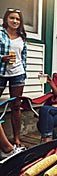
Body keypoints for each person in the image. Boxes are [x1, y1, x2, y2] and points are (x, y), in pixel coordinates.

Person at [0, 8, 27, 147]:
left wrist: (24, 73)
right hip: (1, 73)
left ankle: (17, 139)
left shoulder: (22, 37)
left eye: (17, 19)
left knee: (16, 106)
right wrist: (1, 58)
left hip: (18, 74)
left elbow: (23, 58)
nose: (15, 21)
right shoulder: (0, 34)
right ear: (6, 19)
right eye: (12, 18)